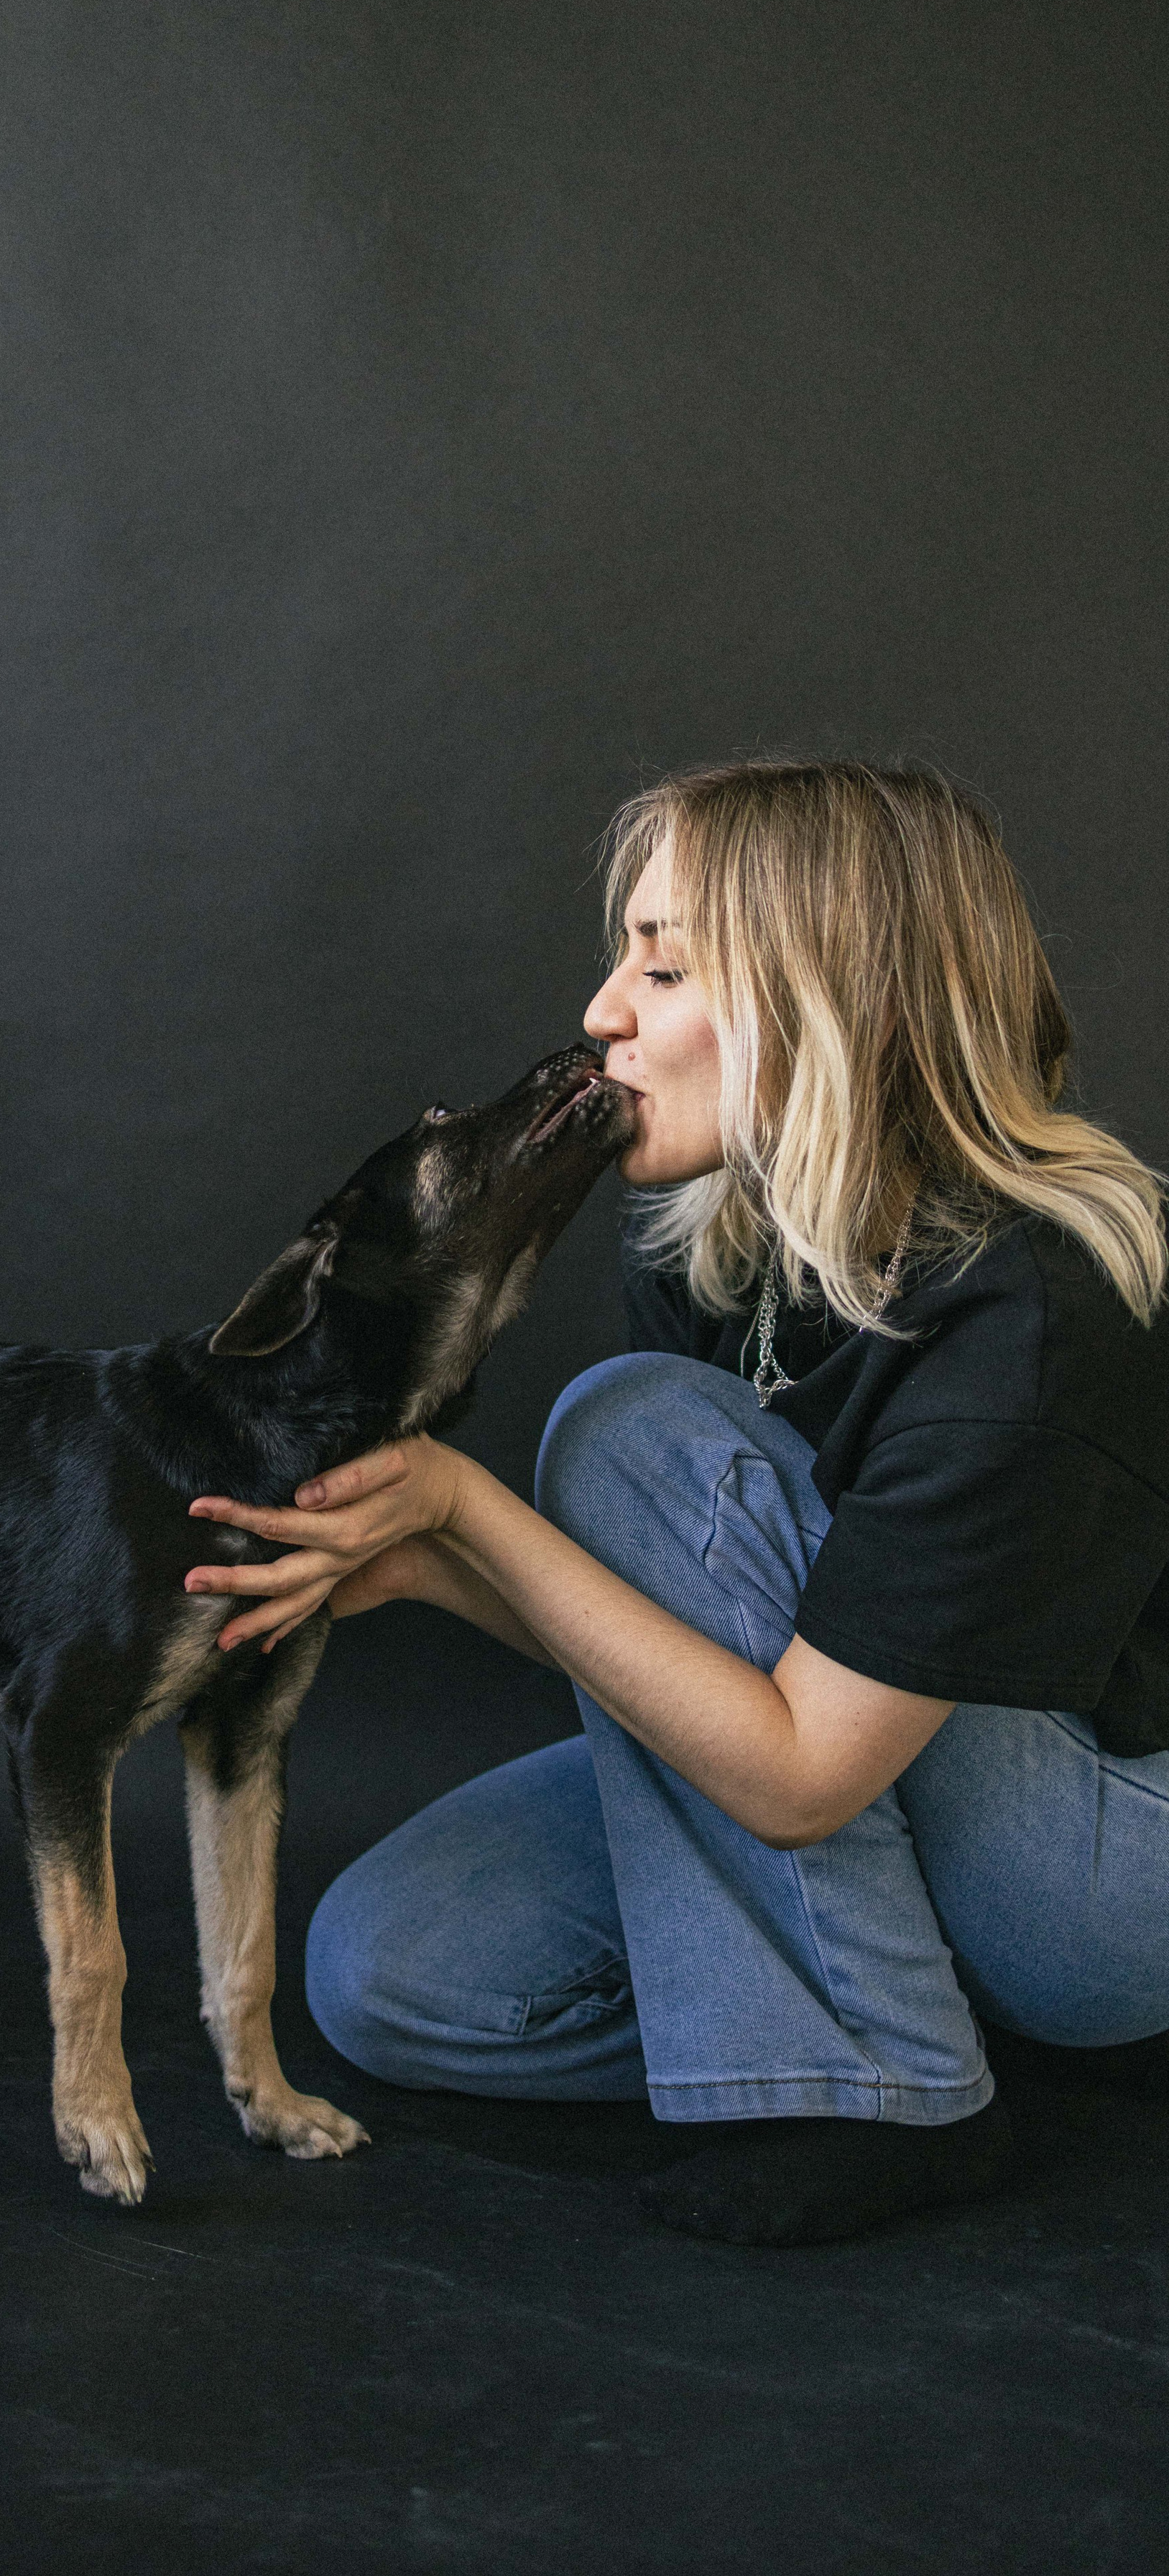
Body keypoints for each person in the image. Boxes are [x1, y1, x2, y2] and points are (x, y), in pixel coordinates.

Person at [181, 760, 1169, 2245]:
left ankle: (880, 2092)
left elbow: (803, 1773)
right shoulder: (719, 1250)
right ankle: (886, 1991)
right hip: (868, 1756)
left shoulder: (1030, 1301)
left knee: (627, 1425)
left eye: (662, 965)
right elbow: (702, 1631)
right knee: (391, 1969)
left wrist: (466, 1505)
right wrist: (426, 1557)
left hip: (1100, 1864)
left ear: (835, 996)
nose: (602, 1011)